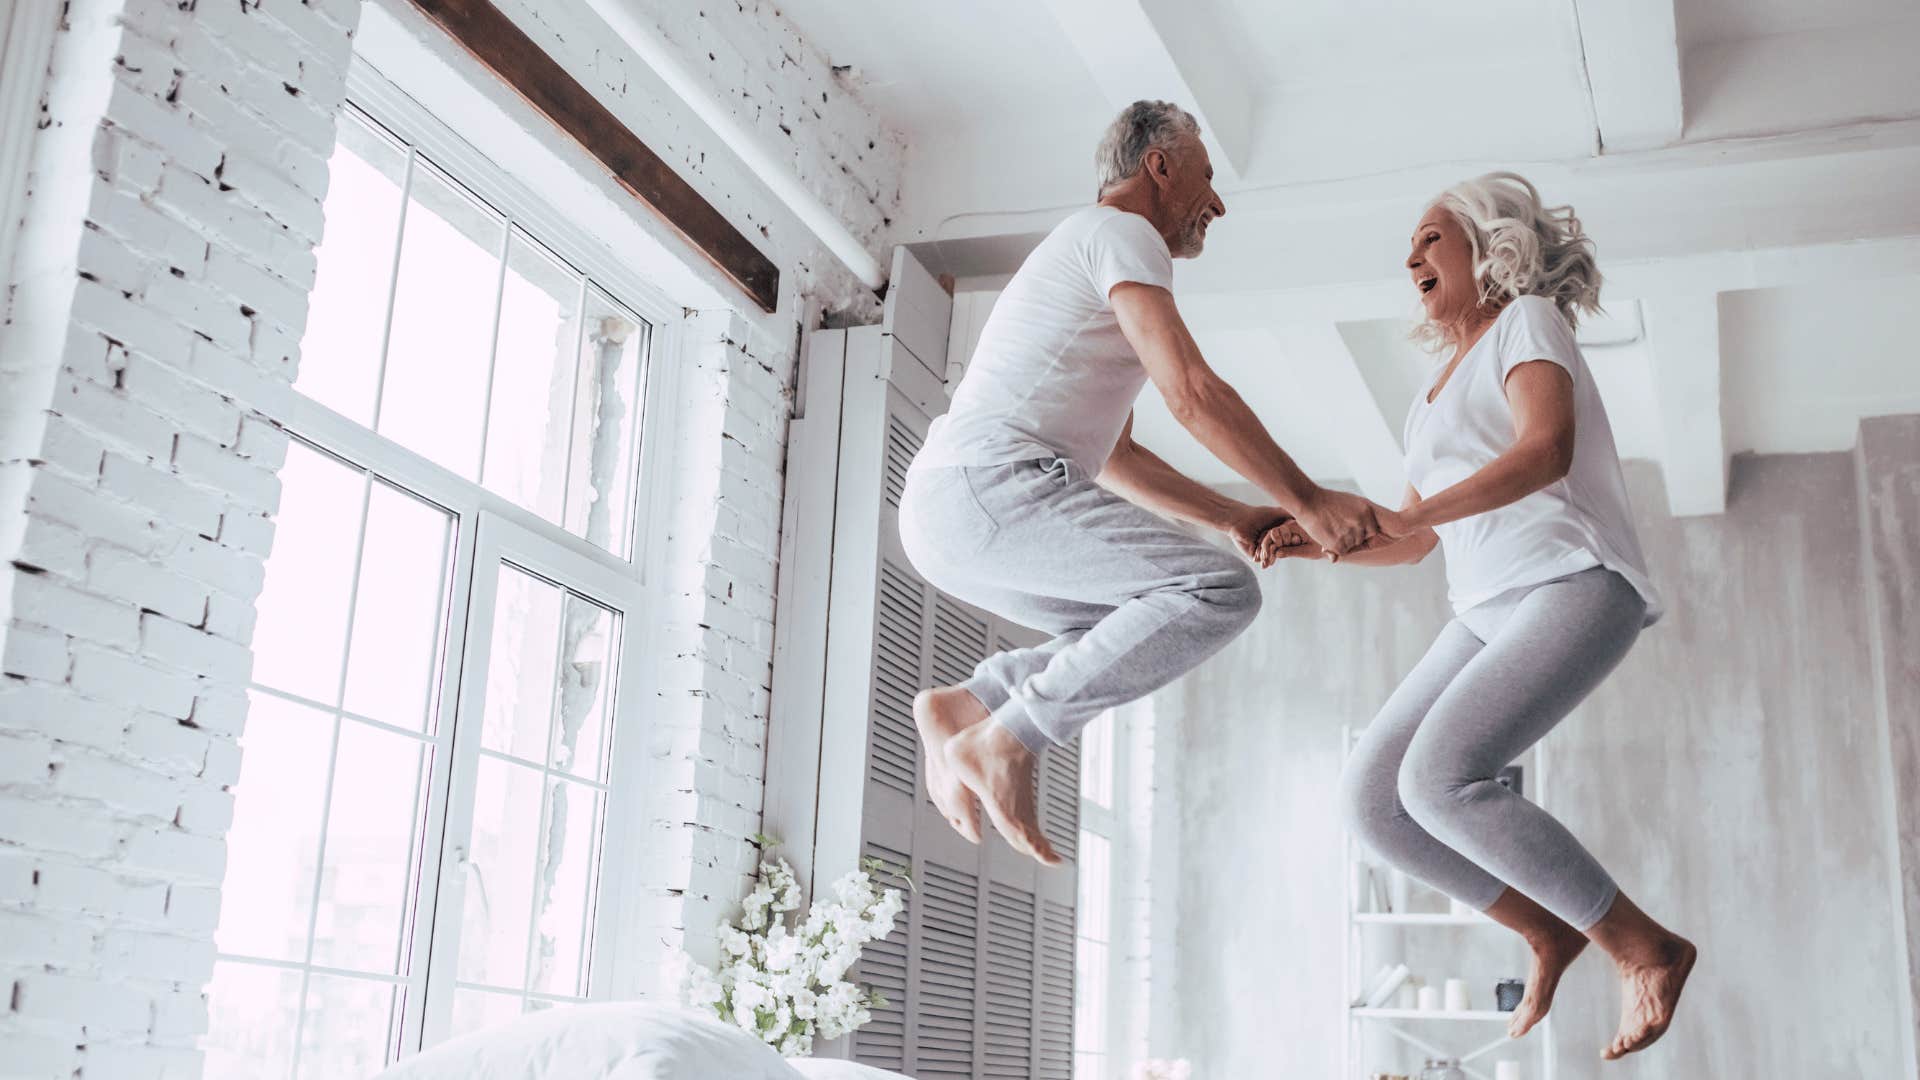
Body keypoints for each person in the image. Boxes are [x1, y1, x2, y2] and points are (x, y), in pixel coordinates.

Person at [1262, 173, 1696, 1060]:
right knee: (1372, 801)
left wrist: (1409, 515)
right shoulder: (1428, 394)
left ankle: (1643, 945)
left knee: (1438, 779)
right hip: (1484, 607)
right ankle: (1547, 928)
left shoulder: (1528, 321)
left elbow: (1546, 450)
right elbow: (1412, 542)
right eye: (1409, 249)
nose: (1410, 258)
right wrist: (1309, 541)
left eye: (1429, 238)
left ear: (1486, 243)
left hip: (1573, 582)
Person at [897, 100, 1382, 866]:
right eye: (1208, 178)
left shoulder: (1086, 253)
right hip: (987, 487)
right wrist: (1308, 500)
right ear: (1159, 166)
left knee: (1132, 624)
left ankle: (974, 704)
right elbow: (1191, 390)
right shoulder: (1120, 233)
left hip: (953, 506)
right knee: (1219, 592)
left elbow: (1118, 456)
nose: (1217, 203)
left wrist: (1231, 515)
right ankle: (1009, 737)